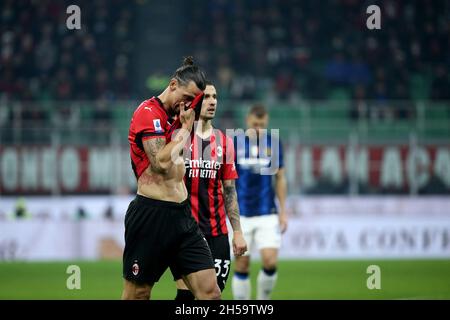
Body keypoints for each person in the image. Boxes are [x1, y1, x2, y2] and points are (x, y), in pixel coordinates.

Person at [121, 57, 221, 300]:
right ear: (173, 84)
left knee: (210, 293)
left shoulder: (181, 113)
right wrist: (185, 130)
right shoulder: (147, 113)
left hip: (182, 215)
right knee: (139, 293)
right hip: (151, 215)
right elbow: (161, 163)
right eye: (187, 98)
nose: (188, 105)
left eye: (193, 101)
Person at [173, 82, 247, 301]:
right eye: (206, 97)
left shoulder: (225, 142)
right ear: (194, 101)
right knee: (186, 295)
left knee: (213, 297)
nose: (212, 101)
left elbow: (229, 190)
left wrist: (238, 232)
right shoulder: (180, 138)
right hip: (186, 233)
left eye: (215, 97)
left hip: (217, 234)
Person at [231, 104, 288, 300]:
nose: (258, 129)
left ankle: (263, 302)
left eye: (262, 125)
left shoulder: (274, 143)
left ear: (267, 122)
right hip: (241, 214)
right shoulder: (234, 142)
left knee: (270, 261)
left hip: (267, 211)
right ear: (248, 120)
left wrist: (283, 211)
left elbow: (280, 178)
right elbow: (226, 181)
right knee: (241, 265)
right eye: (255, 124)